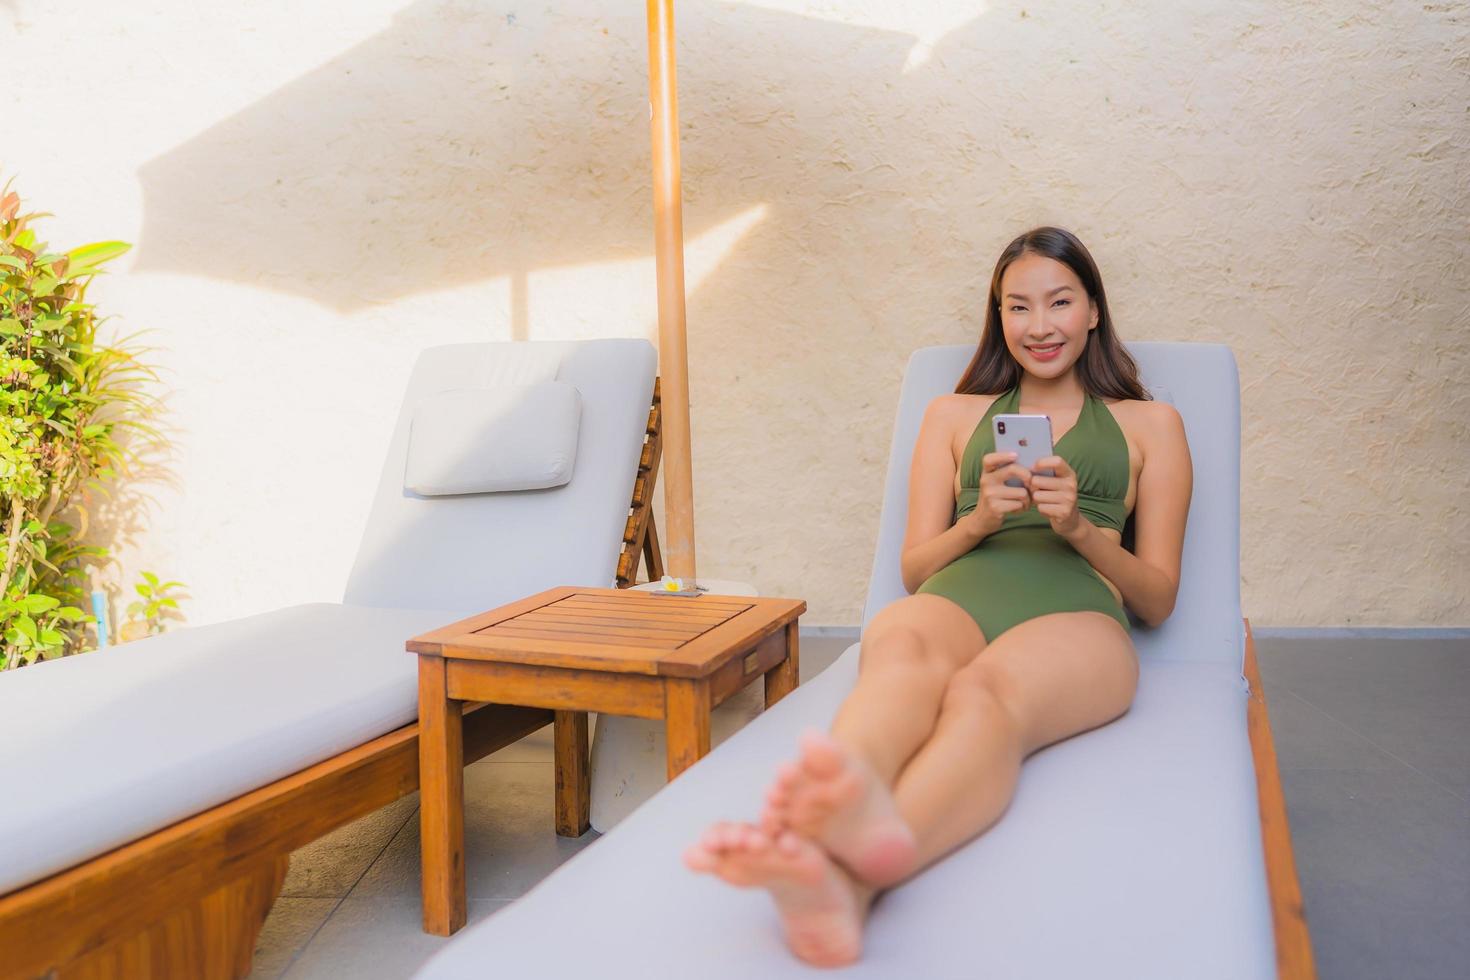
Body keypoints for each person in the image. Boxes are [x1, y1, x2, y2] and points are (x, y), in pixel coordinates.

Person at [683, 226, 1194, 967]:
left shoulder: (1154, 425)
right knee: (899, 656)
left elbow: (1159, 600)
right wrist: (983, 518)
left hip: (1078, 613)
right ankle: (838, 825)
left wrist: (1081, 526)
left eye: (1059, 303)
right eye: (1019, 307)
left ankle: (842, 873)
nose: (1040, 326)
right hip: (956, 593)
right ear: (999, 316)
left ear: (1092, 311)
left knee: (985, 696)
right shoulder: (952, 416)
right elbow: (916, 569)